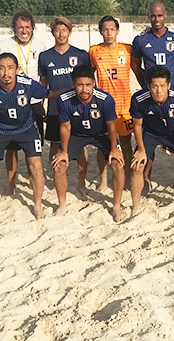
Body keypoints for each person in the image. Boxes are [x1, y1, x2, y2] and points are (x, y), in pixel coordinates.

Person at [0, 53, 50, 222]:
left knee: (36, 166)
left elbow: (49, 93)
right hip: (0, 129)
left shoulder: (28, 84)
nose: (6, 73)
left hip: (27, 128)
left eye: (10, 68)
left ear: (17, 69)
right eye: (1, 68)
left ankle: (37, 204)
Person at [51, 65, 125, 221]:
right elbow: (65, 126)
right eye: (80, 85)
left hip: (102, 134)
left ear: (94, 83)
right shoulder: (64, 99)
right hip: (77, 134)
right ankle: (62, 205)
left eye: (88, 85)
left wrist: (114, 148)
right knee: (59, 166)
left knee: (118, 164)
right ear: (73, 84)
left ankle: (117, 205)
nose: (84, 89)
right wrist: (63, 151)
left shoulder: (105, 99)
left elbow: (112, 125)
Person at [38, 17, 100, 190]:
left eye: (64, 30)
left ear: (70, 32)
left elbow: (90, 80)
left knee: (79, 145)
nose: (61, 33)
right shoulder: (45, 56)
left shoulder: (80, 55)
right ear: (53, 33)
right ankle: (56, 176)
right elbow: (43, 82)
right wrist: (41, 103)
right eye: (57, 30)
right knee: (55, 145)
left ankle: (81, 181)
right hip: (55, 109)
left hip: (78, 109)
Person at [129, 66, 174, 220]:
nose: (158, 90)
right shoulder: (139, 99)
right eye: (154, 86)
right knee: (137, 165)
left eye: (162, 86)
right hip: (150, 133)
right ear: (148, 86)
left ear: (168, 85)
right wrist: (140, 149)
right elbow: (137, 126)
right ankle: (135, 207)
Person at [0, 10, 47, 194]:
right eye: (20, 27)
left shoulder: (40, 45)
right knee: (12, 148)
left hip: (34, 101)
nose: (24, 30)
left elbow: (43, 73)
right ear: (14, 28)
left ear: (33, 28)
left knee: (33, 147)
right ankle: (11, 182)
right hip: (11, 100)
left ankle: (33, 182)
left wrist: (42, 98)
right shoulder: (4, 44)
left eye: (27, 27)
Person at [89, 15, 138, 190]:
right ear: (101, 31)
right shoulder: (94, 51)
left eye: (112, 29)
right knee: (104, 145)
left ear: (117, 31)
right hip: (103, 106)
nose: (109, 32)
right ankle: (103, 179)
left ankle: (126, 177)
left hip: (124, 106)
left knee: (125, 143)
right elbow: (89, 76)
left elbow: (138, 71)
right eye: (105, 29)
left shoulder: (127, 49)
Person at [131, 1, 174, 89]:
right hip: (151, 91)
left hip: (173, 89)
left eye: (160, 15)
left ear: (165, 15)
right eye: (153, 16)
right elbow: (136, 68)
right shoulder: (140, 40)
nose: (157, 19)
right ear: (149, 16)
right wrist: (147, 86)